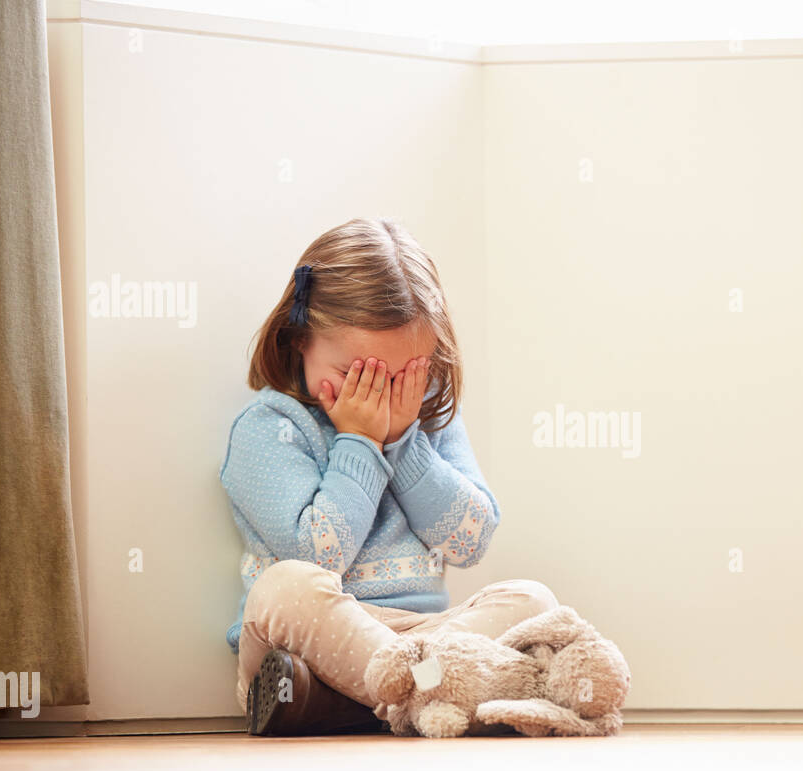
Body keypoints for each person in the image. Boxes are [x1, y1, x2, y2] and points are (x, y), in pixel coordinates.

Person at [219, 217, 557, 735]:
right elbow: (319, 556)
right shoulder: (270, 428)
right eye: (358, 375)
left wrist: (404, 443)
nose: (379, 396)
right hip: (315, 640)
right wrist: (361, 442)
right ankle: (432, 690)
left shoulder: (425, 418)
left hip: (426, 636)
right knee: (283, 588)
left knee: (532, 599)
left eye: (402, 377)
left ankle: (375, 699)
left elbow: (469, 541)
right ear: (299, 338)